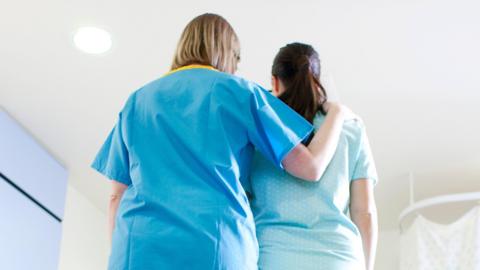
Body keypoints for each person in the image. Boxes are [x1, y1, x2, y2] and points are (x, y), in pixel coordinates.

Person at [91, 14, 352, 270]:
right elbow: (310, 167)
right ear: (228, 54)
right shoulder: (239, 91)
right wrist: (337, 114)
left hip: (138, 250)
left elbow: (117, 194)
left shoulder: (137, 101)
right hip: (216, 246)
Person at [247, 43, 378, 270]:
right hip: (339, 259)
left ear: (274, 81)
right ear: (316, 81)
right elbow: (364, 212)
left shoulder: (259, 131)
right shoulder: (351, 128)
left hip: (276, 258)